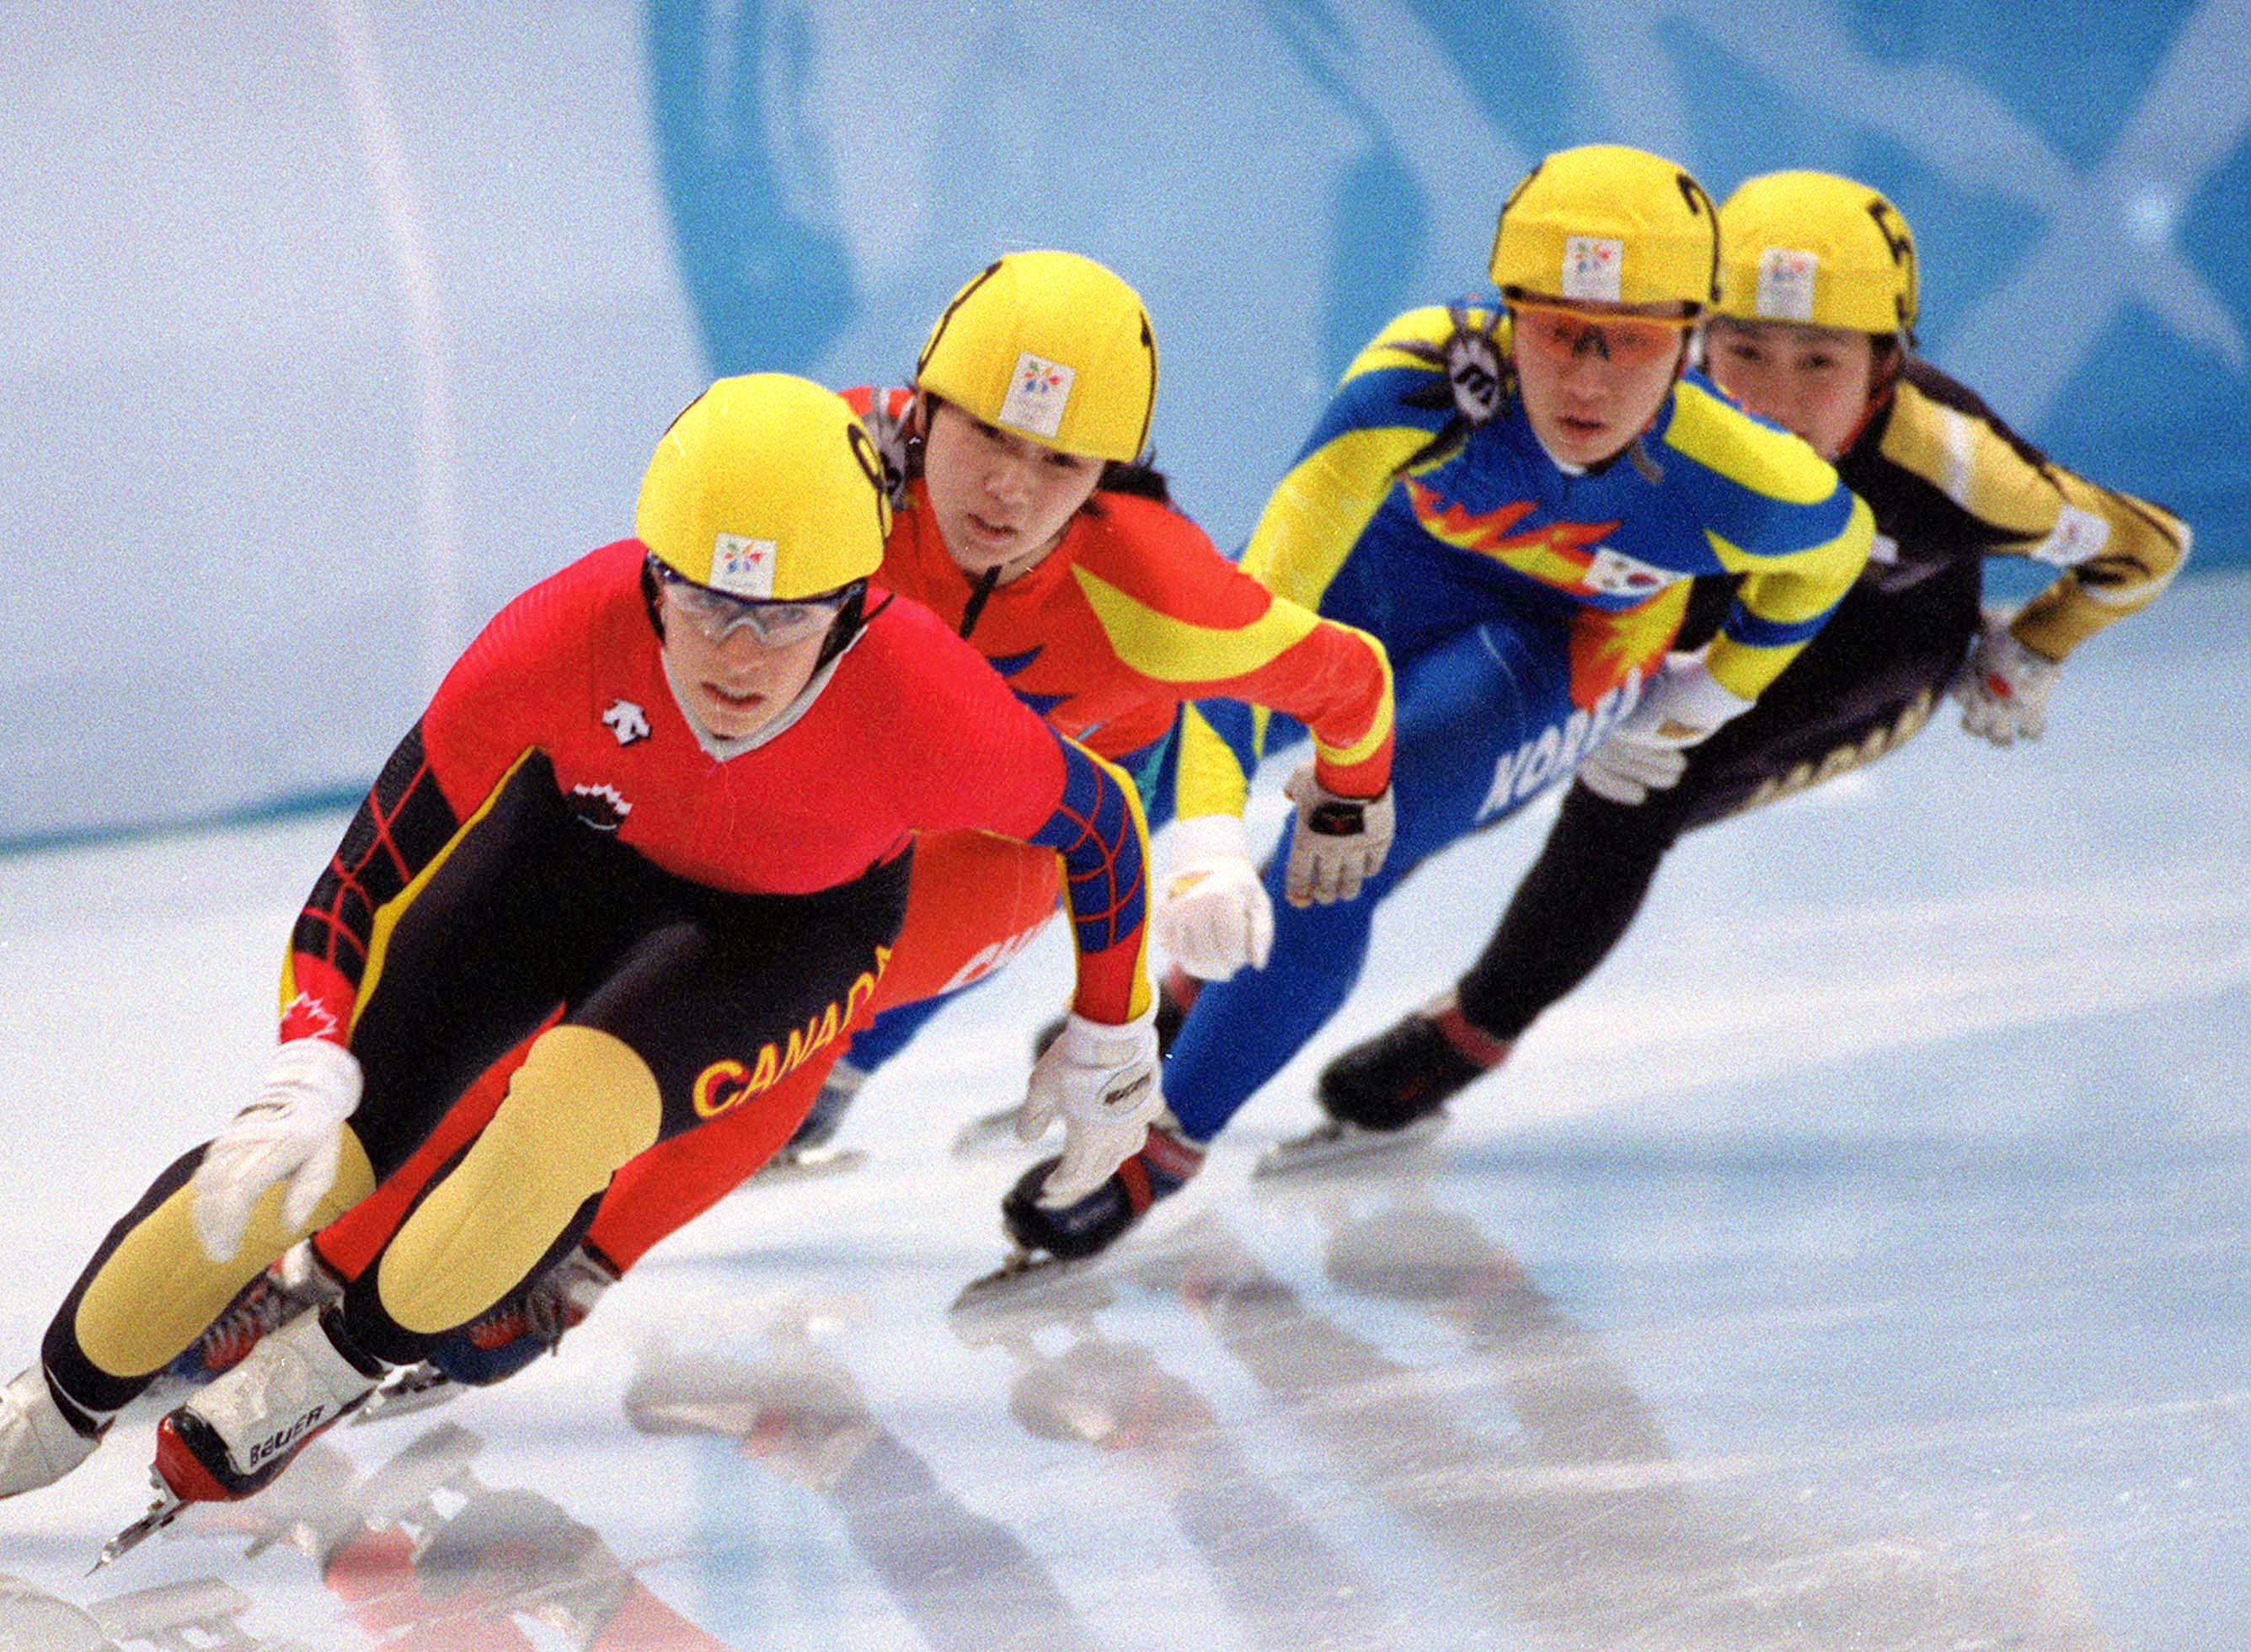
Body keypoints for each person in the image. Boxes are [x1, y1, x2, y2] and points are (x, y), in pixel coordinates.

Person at [0, 372, 1171, 1542]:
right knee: (317, 1149)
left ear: (856, 608)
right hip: (566, 857)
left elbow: (1105, 825)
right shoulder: (561, 632)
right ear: (651, 572)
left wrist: (1112, 1032)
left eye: (785, 618)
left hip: (785, 927)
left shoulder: (926, 699)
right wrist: (305, 1052)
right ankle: (46, 1413)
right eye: (703, 604)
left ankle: (336, 1362)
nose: (737, 655)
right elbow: (368, 867)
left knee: (563, 1116)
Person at [174, 249, 1402, 1404]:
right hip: (806, 773)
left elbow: (1350, 679)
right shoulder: (826, 467)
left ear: (1109, 483)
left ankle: (582, 1264)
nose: (1010, 489)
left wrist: (1350, 792)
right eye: (986, 433)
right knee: (549, 974)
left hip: (1001, 835)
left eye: (1061, 465)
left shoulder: (1158, 586)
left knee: (809, 994)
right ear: (921, 410)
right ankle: (310, 1263)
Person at [1001, 144, 1878, 1257]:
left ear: (1691, 342)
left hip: (1557, 651)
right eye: (1558, 333)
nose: (1590, 384)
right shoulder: (1421, 372)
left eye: (1637, 343)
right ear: (1506, 317)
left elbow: (1834, 555)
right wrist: (1211, 832)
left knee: (1337, 847)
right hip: (1392, 575)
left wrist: (1713, 690)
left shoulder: (1747, 478)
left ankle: (1157, 1153)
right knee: (1117, 751)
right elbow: (1249, 612)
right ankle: (854, 1056)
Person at [1306, 169, 2192, 1147]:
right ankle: (1243, 962)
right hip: (1691, 598)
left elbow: (2148, 547)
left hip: (1873, 652)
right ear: (1693, 340)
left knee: (1636, 792)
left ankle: (1472, 1034)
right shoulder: (1650, 385)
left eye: (1820, 363)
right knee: (1485, 741)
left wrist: (2032, 645)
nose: (1776, 399)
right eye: (1745, 353)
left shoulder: (1959, 469)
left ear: (1888, 367)